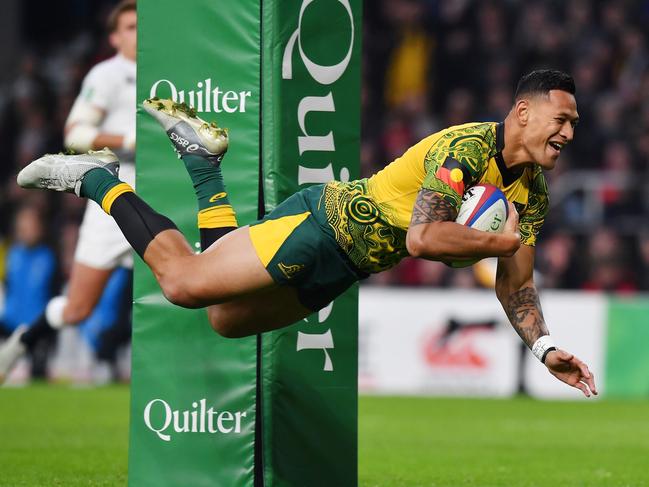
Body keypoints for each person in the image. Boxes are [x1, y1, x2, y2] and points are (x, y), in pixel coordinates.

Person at [8, 69, 598, 397]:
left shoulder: (533, 193)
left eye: (574, 122)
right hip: (322, 223)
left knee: (224, 318)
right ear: (523, 112)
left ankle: (204, 164)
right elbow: (424, 239)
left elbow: (514, 284)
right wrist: (502, 242)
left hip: (347, 266)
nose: (570, 132)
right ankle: (100, 180)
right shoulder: (467, 147)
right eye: (562, 118)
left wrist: (544, 348)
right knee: (185, 284)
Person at [0, 0, 136, 381]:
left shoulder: (171, 75)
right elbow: (75, 135)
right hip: (114, 197)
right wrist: (130, 138)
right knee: (78, 308)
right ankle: (23, 343)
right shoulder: (106, 75)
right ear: (113, 37)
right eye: (129, 27)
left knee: (186, 288)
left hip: (164, 196)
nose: (138, 35)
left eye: (143, 26)